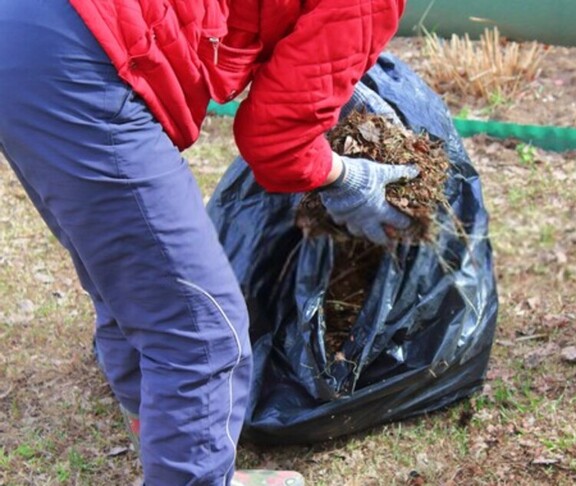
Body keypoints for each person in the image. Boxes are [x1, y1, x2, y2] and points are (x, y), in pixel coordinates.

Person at [0, 0, 416, 484]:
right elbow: (276, 140)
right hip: (85, 56)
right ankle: (192, 475)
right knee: (199, 331)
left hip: (25, 35)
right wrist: (347, 177)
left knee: (134, 286)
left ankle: (174, 458)